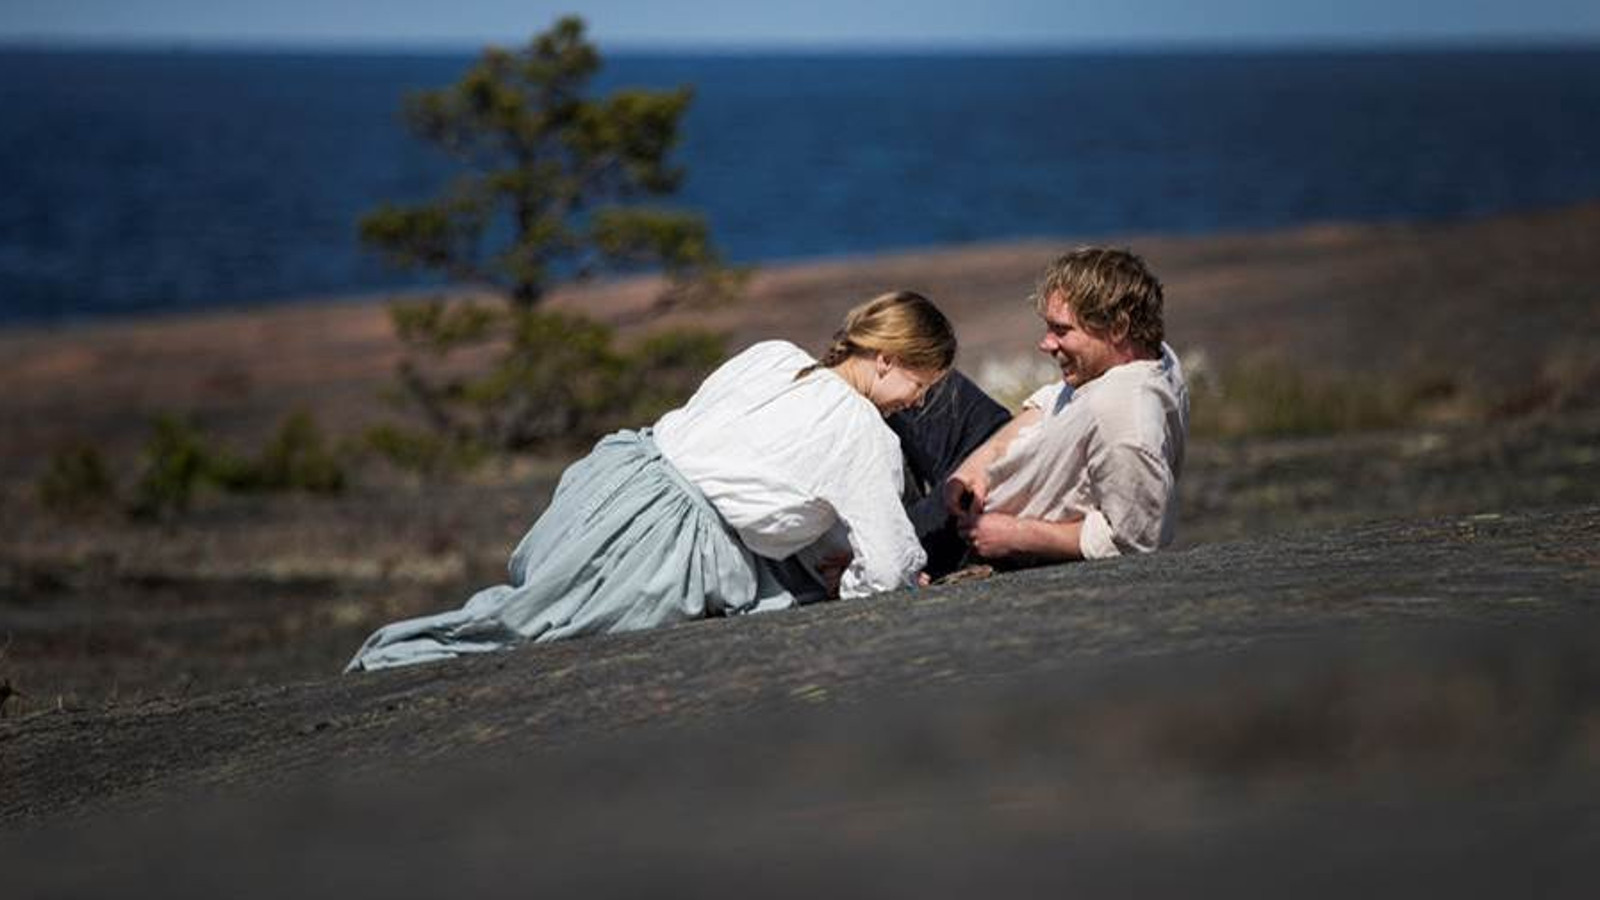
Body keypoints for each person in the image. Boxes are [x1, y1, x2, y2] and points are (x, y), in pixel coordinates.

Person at [347, 291, 956, 672]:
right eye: (920, 386)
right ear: (887, 360)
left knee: (527, 610)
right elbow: (888, 564)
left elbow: (750, 466)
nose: (915, 403)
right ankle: (392, 661)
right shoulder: (863, 432)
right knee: (524, 641)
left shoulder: (774, 355)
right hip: (663, 544)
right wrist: (856, 579)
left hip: (614, 479)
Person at [890, 247, 1189, 574]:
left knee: (873, 552)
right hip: (997, 464)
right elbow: (1048, 403)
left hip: (978, 526)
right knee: (898, 357)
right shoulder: (1150, 355)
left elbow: (1135, 540)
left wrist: (1015, 535)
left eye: (1061, 330)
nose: (1045, 344)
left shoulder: (1125, 418)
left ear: (1118, 328)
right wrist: (979, 463)